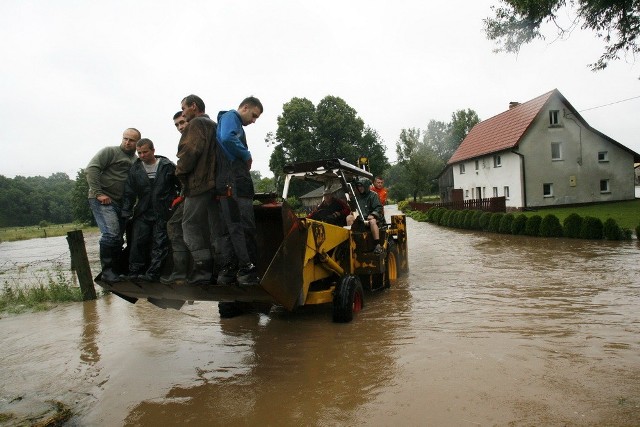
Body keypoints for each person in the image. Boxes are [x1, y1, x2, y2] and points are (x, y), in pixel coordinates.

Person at [215, 96, 263, 286]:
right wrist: (246, 154)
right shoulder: (230, 117)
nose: (253, 121)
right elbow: (227, 138)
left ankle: (227, 272)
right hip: (235, 183)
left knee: (229, 228)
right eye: (254, 115)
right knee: (244, 227)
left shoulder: (224, 120)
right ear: (244, 107)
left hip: (226, 184)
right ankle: (247, 270)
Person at [121, 138, 180, 281]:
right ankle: (134, 272)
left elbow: (180, 185)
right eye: (139, 153)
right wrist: (126, 211)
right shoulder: (135, 169)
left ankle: (153, 274)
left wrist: (176, 202)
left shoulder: (167, 166)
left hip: (163, 210)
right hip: (143, 211)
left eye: (145, 152)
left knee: (160, 242)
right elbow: (129, 193)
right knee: (137, 241)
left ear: (153, 151)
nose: (142, 156)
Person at [86, 128, 141, 282]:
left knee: (118, 237)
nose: (127, 142)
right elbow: (91, 169)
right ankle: (107, 272)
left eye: (131, 140)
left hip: (122, 204)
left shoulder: (137, 160)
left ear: (137, 143)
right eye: (125, 138)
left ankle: (117, 271)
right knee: (111, 234)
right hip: (103, 199)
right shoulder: (110, 152)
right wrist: (98, 193)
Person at [175, 95, 219, 285]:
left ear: (194, 106)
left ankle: (202, 270)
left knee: (188, 225)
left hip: (198, 184)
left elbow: (190, 152)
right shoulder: (215, 125)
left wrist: (180, 173)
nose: (183, 113)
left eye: (184, 108)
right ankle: (219, 268)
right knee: (215, 227)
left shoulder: (195, 125)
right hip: (215, 184)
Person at [160, 112, 191, 285]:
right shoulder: (187, 140)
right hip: (191, 192)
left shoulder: (194, 138)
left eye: (182, 122)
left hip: (198, 192)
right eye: (177, 125)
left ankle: (181, 273)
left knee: (174, 225)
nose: (180, 127)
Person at [346, 178, 385, 255]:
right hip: (360, 219)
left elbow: (379, 207)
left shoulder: (373, 195)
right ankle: (351, 241)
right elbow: (354, 209)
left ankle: (377, 245)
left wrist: (373, 214)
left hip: (372, 218)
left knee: (372, 221)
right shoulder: (356, 197)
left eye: (362, 186)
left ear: (366, 186)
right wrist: (352, 212)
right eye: (359, 186)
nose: (360, 188)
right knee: (349, 218)